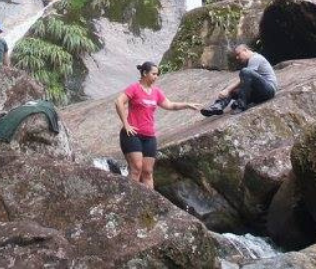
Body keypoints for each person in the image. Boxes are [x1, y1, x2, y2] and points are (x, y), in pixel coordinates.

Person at [115, 61, 201, 189]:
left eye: (157, 74)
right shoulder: (134, 88)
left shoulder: (156, 92)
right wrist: (126, 124)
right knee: (136, 169)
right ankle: (130, 199)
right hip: (132, 134)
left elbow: (170, 105)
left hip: (149, 136)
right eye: (154, 74)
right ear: (145, 73)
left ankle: (150, 202)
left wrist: (187, 105)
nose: (156, 77)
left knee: (148, 172)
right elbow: (119, 102)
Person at [201, 44, 278, 116]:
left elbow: (245, 77)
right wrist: (229, 89)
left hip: (269, 90)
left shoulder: (256, 58)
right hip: (258, 93)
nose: (237, 58)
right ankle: (218, 106)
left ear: (245, 50)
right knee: (233, 87)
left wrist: (228, 89)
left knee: (245, 72)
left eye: (238, 54)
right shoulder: (251, 61)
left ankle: (241, 105)